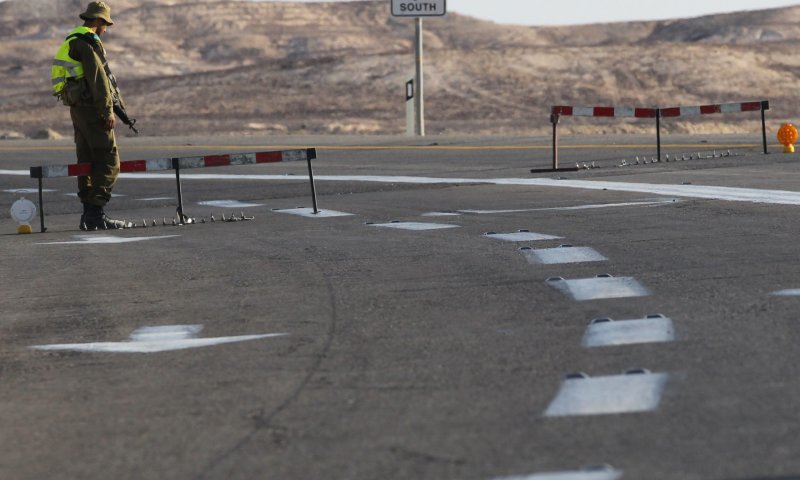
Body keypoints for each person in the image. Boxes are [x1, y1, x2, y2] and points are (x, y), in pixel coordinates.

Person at [52, 1, 131, 230]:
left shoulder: (72, 40)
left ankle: (88, 215)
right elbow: (99, 81)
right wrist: (108, 111)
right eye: (105, 24)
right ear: (97, 21)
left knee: (86, 161)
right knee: (109, 161)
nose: (106, 29)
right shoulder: (87, 43)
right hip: (92, 109)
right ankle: (96, 213)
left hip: (78, 109)